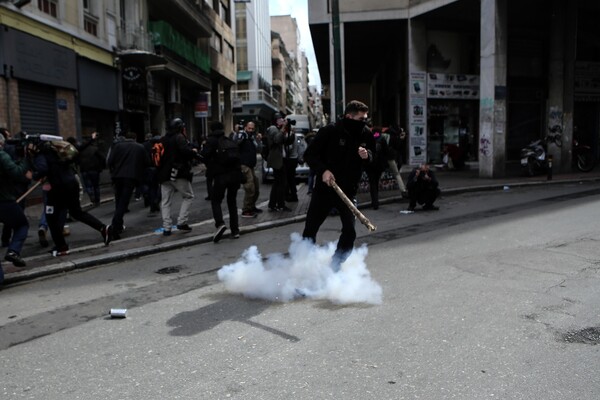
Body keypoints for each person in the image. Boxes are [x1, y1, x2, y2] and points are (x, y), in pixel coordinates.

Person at [302, 100, 375, 271]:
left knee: (350, 231)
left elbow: (375, 158)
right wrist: (323, 171)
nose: (364, 122)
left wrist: (367, 156)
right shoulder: (330, 131)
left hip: (348, 191)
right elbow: (310, 154)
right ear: (349, 116)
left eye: (366, 118)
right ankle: (305, 264)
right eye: (361, 118)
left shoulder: (366, 134)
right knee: (310, 229)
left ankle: (335, 264)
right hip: (325, 190)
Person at [32, 136, 113, 256]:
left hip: (58, 188)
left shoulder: (41, 155)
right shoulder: (57, 151)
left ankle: (61, 247)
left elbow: (42, 169)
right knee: (76, 212)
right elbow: (77, 150)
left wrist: (33, 175)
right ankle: (103, 228)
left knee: (51, 217)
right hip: (71, 184)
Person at [200, 120, 242, 243]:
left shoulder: (211, 141)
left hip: (220, 176)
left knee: (216, 200)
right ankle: (235, 231)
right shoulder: (229, 140)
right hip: (234, 176)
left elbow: (204, 156)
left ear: (212, 130)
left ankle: (220, 224)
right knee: (232, 202)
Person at [156, 118, 197, 236]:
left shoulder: (163, 139)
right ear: (179, 127)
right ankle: (182, 222)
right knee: (188, 196)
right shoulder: (179, 137)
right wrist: (193, 151)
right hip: (178, 172)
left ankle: (166, 228)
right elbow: (185, 151)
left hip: (164, 174)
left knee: (165, 201)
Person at [106, 131, 148, 239]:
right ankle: (115, 226)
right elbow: (147, 162)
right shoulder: (139, 147)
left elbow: (110, 161)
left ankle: (118, 225)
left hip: (117, 177)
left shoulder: (117, 146)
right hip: (130, 177)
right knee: (123, 202)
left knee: (119, 200)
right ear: (135, 138)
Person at [0, 132, 32, 268]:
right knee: (22, 225)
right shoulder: (1, 155)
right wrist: (27, 158)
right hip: (4, 200)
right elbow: (17, 173)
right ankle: (13, 251)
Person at [265, 112, 294, 212]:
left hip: (280, 160)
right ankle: (280, 205)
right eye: (281, 119)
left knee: (278, 183)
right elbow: (277, 140)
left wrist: (291, 132)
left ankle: (273, 204)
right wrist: (283, 128)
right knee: (281, 183)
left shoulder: (278, 129)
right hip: (277, 160)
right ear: (276, 120)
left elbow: (287, 141)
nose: (283, 120)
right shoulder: (273, 128)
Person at [234, 120, 262, 218]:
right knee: (250, 188)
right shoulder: (242, 135)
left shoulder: (252, 138)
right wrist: (240, 136)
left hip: (251, 165)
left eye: (252, 129)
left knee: (256, 188)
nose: (251, 130)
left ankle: (251, 206)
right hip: (244, 165)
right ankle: (246, 210)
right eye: (249, 128)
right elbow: (236, 143)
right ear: (245, 127)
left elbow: (259, 148)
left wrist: (258, 139)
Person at [364, 127, 391, 210]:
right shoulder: (382, 139)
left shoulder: (369, 139)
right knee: (376, 182)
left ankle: (374, 202)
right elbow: (386, 152)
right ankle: (376, 202)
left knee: (372, 183)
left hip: (370, 165)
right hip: (379, 165)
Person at [78, 132, 105, 207]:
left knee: (88, 186)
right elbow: (103, 158)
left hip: (84, 170)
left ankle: (92, 199)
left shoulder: (80, 150)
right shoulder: (95, 149)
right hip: (94, 170)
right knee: (96, 185)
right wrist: (101, 167)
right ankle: (97, 200)